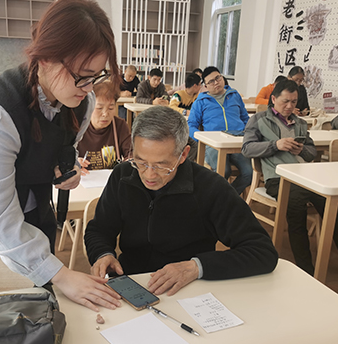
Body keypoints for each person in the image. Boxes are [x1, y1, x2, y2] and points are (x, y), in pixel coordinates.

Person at [0, 0, 123, 312]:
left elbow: (64, 145)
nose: (89, 87)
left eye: (96, 76)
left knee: (35, 307)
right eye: (81, 75)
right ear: (45, 59)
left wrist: (68, 169)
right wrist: (62, 274)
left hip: (33, 205)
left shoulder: (81, 100)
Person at [85, 106, 278, 296]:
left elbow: (262, 251)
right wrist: (103, 254)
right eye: (141, 162)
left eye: (162, 166)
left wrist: (196, 267)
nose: (149, 175)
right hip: (132, 284)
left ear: (183, 155)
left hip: (189, 291)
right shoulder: (123, 175)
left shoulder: (210, 188)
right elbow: (99, 229)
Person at [242, 79, 338, 290]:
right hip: (278, 179)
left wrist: (301, 150)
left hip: (307, 177)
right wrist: (275, 145)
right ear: (273, 99)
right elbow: (247, 149)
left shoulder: (300, 123)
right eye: (285, 101)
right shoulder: (259, 120)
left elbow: (312, 152)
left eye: (294, 102)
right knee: (296, 207)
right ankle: (306, 271)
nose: (290, 106)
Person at [188, 66, 252, 195]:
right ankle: (219, 199)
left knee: (249, 173)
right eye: (211, 81)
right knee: (224, 171)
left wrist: (246, 133)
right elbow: (191, 126)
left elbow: (245, 118)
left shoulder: (234, 95)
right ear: (205, 86)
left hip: (237, 143)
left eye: (218, 78)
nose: (216, 82)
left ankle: (228, 198)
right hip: (213, 145)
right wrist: (202, 140)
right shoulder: (200, 101)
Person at [77, 81, 132, 172]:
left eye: (111, 108)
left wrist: (129, 162)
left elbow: (131, 153)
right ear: (88, 106)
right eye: (99, 108)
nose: (105, 114)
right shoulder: (77, 126)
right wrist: (74, 162)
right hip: (83, 178)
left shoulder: (120, 126)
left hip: (110, 178)